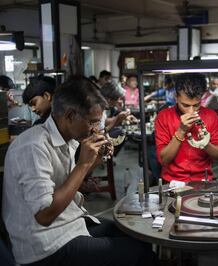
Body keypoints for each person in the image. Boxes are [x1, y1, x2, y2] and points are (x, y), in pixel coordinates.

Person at [2, 76, 158, 266]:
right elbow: (44, 216)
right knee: (137, 253)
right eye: (92, 122)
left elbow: (62, 185)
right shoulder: (33, 146)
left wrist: (94, 161)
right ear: (70, 116)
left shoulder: (69, 139)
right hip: (45, 245)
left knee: (137, 235)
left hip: (70, 224)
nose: (95, 129)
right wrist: (83, 165)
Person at [155, 73, 218, 182]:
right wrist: (181, 131)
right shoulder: (164, 117)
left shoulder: (211, 116)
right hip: (173, 181)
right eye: (185, 105)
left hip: (203, 181)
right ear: (176, 97)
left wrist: (206, 144)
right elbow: (164, 160)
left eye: (196, 105)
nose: (191, 111)